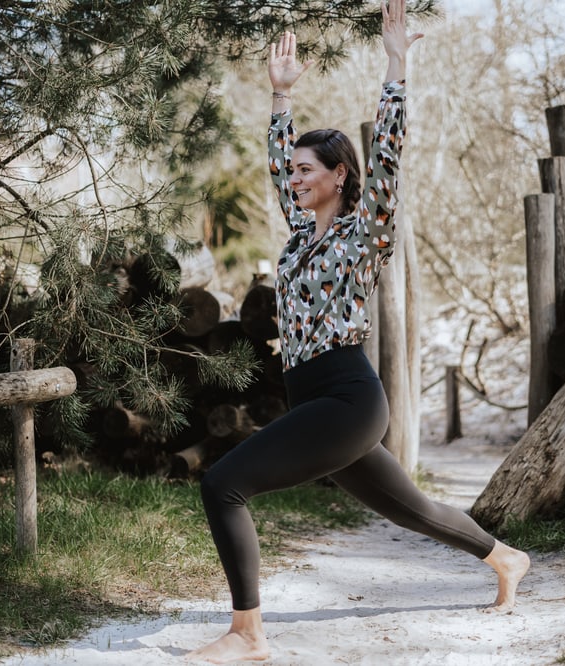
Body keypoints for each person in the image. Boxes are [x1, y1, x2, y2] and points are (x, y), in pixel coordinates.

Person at [188, 2, 530, 663]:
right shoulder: (299, 234)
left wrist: (397, 65)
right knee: (410, 509)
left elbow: (392, 157)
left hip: (348, 399)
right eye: (293, 172)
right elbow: (275, 166)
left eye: (307, 170)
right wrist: (281, 94)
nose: (295, 178)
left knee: (222, 483)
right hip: (314, 397)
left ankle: (247, 634)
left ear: (340, 175)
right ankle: (505, 557)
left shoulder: (365, 230)